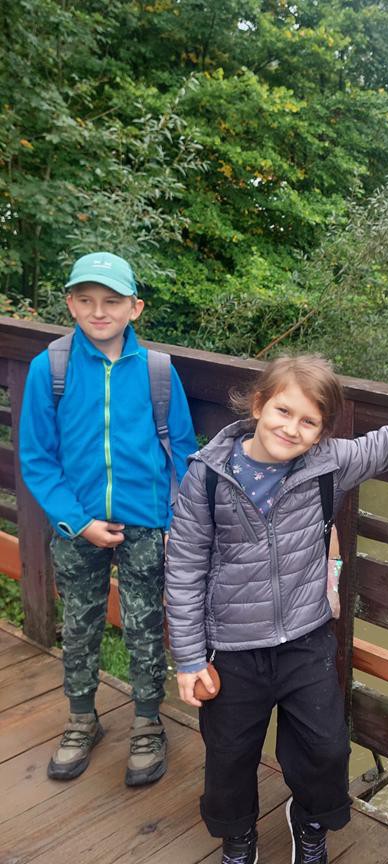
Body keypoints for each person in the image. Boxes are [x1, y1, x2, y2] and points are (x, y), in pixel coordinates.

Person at [164, 353, 388, 864]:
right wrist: (188, 658)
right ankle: (238, 838)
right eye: (283, 411)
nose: (291, 429)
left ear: (323, 431)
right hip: (230, 647)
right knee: (228, 755)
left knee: (326, 749)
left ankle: (309, 821)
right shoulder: (207, 477)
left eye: (309, 421)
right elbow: (184, 568)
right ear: (259, 405)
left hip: (306, 639)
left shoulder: (330, 465)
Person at [18, 251, 198, 786]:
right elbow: (37, 458)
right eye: (87, 300)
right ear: (71, 304)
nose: (99, 311)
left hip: (148, 525)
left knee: (145, 627)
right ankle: (81, 718)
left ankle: (147, 722)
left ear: (134, 308)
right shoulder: (49, 368)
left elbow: (183, 453)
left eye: (112, 301)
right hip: (78, 526)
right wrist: (76, 521)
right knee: (79, 624)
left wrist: (177, 519)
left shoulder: (158, 371)